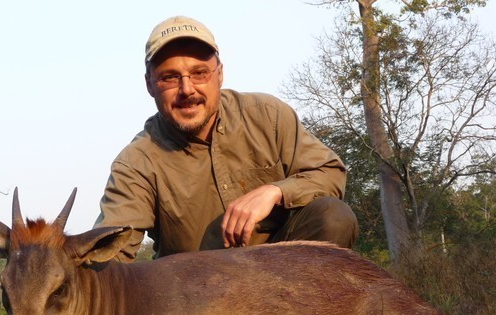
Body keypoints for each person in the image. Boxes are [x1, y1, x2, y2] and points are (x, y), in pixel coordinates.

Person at [95, 16, 358, 262]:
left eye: (200, 73)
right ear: (150, 85)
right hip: (199, 295)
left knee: (333, 216)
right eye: (170, 77)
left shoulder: (268, 116)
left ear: (219, 74)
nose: (187, 89)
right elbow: (109, 254)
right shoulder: (136, 162)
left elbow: (331, 174)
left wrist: (276, 192)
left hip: (286, 278)